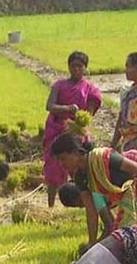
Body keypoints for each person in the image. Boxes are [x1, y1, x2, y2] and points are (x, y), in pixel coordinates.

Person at [51, 133, 137, 258]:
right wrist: (92, 244)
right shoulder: (80, 177)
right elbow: (91, 212)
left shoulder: (105, 158)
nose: (62, 164)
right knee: (128, 238)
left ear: (75, 152)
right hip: (129, 193)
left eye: (63, 158)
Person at [42, 51, 103, 208]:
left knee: (80, 169)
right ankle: (51, 206)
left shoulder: (90, 89)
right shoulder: (59, 85)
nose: (76, 69)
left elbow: (89, 113)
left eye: (80, 66)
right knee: (53, 170)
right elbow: (50, 106)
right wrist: (67, 108)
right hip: (57, 131)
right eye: (73, 66)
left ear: (85, 68)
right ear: (68, 67)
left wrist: (79, 123)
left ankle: (82, 202)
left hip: (76, 135)